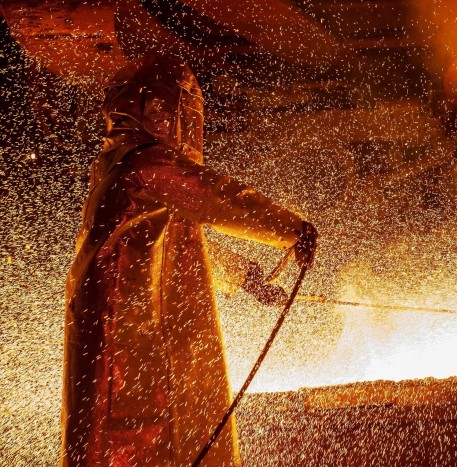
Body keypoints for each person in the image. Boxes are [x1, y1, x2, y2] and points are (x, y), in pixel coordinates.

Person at [61, 54, 316, 466]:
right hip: (131, 335)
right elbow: (216, 197)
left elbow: (173, 245)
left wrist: (245, 278)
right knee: (141, 434)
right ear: (166, 110)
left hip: (126, 324)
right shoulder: (146, 164)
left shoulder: (118, 166)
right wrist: (291, 229)